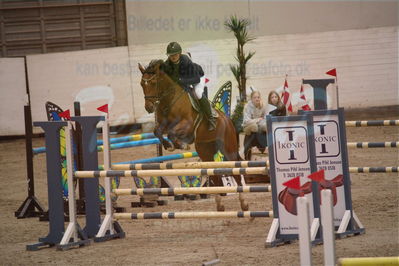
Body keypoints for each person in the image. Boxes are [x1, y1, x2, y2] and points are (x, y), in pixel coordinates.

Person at [162, 42, 216, 131]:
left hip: (197, 77)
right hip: (184, 81)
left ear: (179, 53)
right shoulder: (167, 64)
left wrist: (181, 81)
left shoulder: (186, 61)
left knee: (197, 93)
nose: (173, 57)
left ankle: (211, 119)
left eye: (175, 54)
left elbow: (196, 79)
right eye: (170, 55)